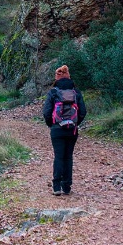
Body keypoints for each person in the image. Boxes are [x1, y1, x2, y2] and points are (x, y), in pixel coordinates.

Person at [42, 65, 87, 196]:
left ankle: (56, 187)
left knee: (58, 156)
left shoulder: (53, 92)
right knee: (68, 157)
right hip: (72, 130)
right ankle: (66, 186)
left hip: (57, 129)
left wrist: (52, 124)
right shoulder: (76, 92)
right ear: (69, 77)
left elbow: (46, 112)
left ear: (57, 78)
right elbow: (83, 111)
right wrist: (75, 123)